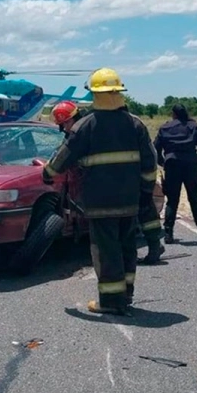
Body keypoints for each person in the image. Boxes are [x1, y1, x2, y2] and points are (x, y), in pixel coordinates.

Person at [43, 68, 157, 316]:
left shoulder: (85, 126)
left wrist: (47, 173)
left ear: (93, 94)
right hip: (130, 202)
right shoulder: (135, 124)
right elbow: (150, 164)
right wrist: (145, 194)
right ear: (119, 93)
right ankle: (125, 295)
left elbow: (62, 158)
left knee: (106, 252)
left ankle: (110, 302)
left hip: (100, 203)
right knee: (127, 248)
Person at [51, 100, 165, 266]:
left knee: (143, 210)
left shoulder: (91, 127)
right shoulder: (84, 128)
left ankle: (152, 246)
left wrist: (146, 185)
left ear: (70, 119)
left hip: (123, 179)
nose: (63, 129)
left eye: (63, 125)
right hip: (112, 181)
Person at [154, 104, 197, 244]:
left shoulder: (165, 128)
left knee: (172, 201)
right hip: (191, 166)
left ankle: (168, 233)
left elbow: (155, 148)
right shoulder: (192, 126)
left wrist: (162, 162)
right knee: (194, 198)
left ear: (173, 114)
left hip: (172, 166)